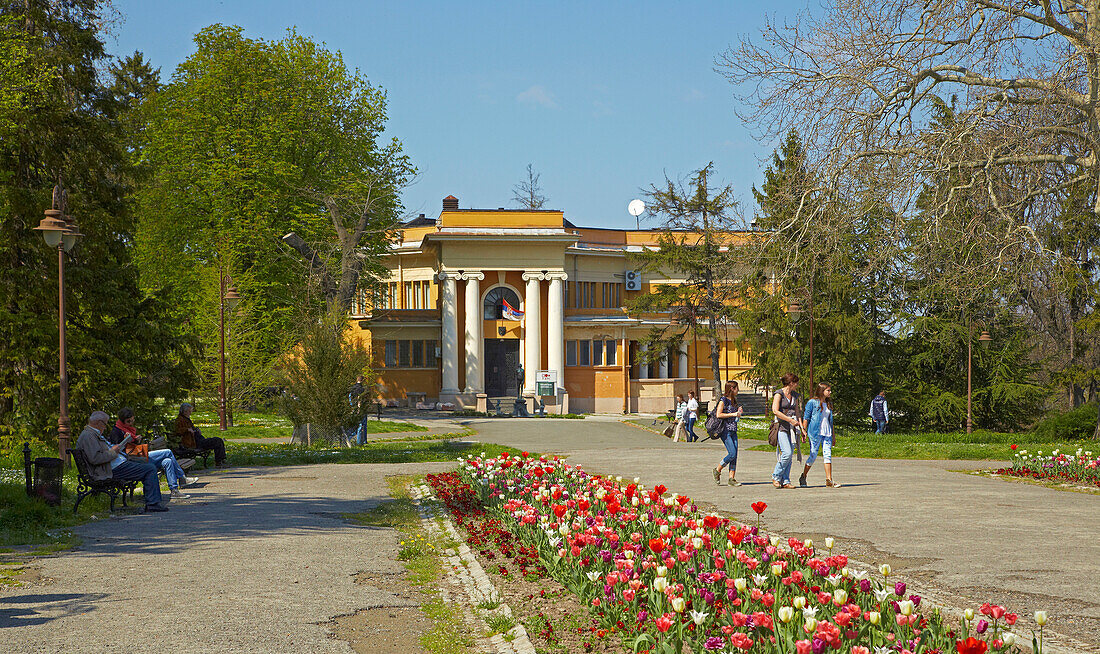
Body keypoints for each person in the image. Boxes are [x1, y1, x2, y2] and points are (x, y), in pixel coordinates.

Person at [76, 411, 168, 512]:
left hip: (115, 465)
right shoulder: (89, 436)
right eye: (105, 424)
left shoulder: (92, 434)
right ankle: (152, 503)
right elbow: (95, 458)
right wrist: (113, 452)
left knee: (146, 463)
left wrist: (119, 447)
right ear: (98, 423)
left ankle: (152, 500)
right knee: (149, 469)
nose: (105, 427)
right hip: (108, 470)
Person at [109, 408, 197, 499]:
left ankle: (174, 491)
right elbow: (118, 450)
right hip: (132, 458)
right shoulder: (116, 431)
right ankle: (182, 478)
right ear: (122, 421)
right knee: (168, 452)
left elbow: (132, 444)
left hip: (138, 454)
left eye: (132, 420)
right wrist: (126, 439)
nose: (131, 423)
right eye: (128, 421)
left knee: (167, 461)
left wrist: (136, 440)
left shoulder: (128, 429)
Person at [798, 383, 841, 488]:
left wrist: (833, 436)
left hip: (827, 433)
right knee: (813, 456)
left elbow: (831, 422)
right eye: (828, 390)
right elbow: (806, 417)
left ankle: (829, 480)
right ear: (822, 391)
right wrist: (804, 431)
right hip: (815, 433)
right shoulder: (812, 402)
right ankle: (803, 476)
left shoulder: (828, 404)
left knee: (828, 455)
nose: (830, 392)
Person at [771, 373, 804, 489]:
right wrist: (789, 420)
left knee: (789, 455)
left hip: (793, 428)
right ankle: (776, 476)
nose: (797, 385)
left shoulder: (794, 395)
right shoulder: (779, 394)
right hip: (781, 426)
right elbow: (775, 410)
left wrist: (801, 428)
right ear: (791, 383)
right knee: (787, 453)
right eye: (796, 382)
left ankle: (785, 480)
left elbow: (797, 412)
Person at [711, 381, 744, 486]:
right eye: (736, 388)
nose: (738, 390)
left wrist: (738, 412)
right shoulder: (723, 400)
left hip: (733, 429)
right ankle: (718, 469)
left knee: (735, 455)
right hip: (725, 430)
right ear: (731, 389)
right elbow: (718, 414)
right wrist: (733, 413)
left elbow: (734, 415)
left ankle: (731, 479)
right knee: (732, 453)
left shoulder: (734, 400)